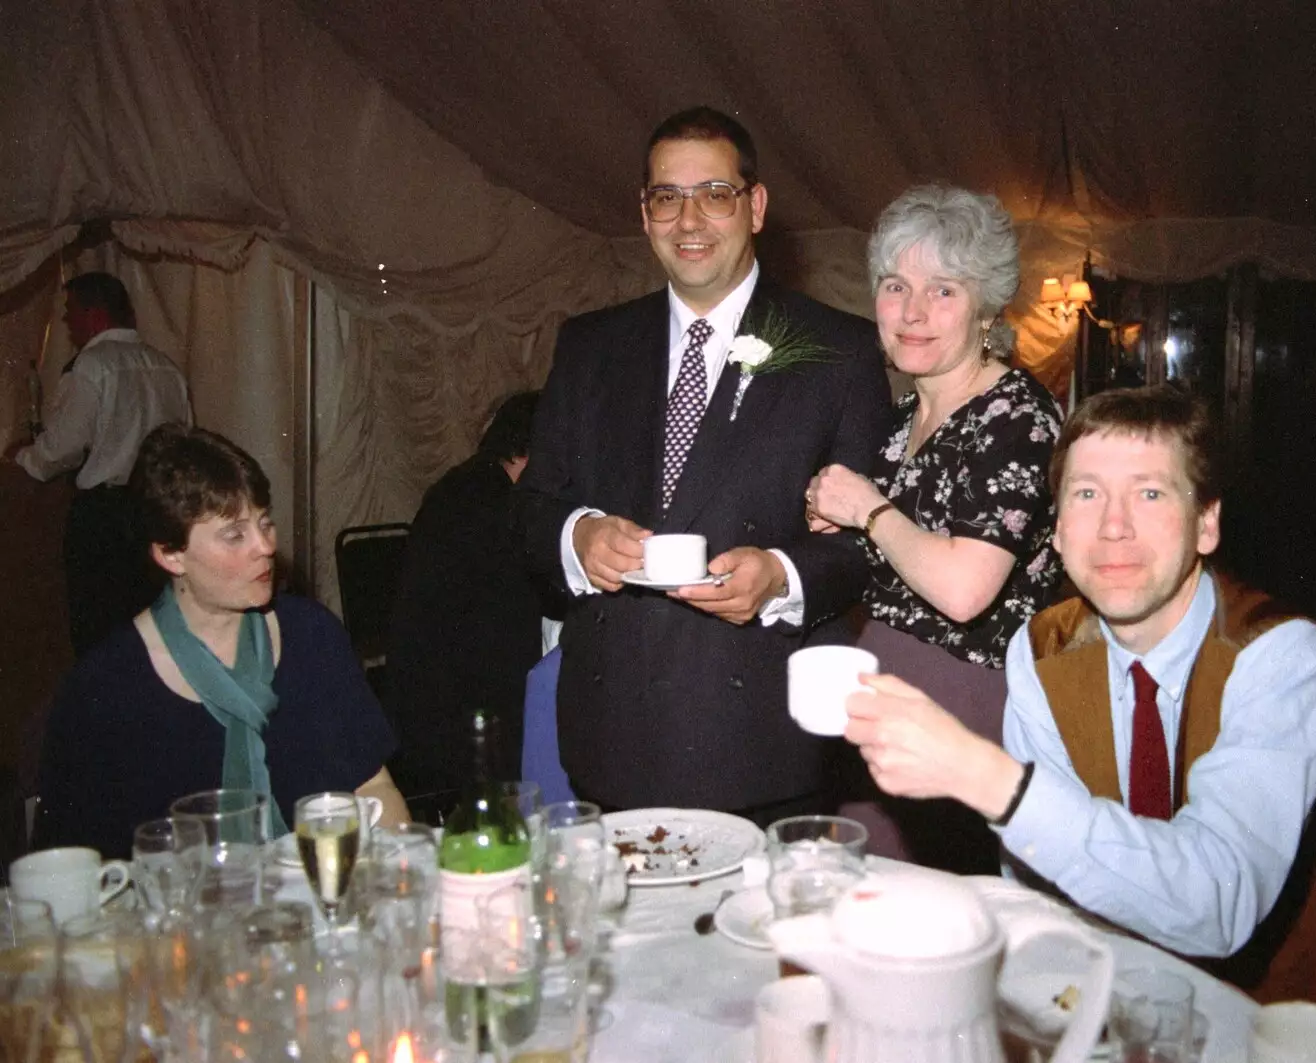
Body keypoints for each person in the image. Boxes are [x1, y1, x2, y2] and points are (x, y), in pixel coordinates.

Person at [843, 386, 1316, 1004]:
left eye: (1150, 492)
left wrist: (984, 776)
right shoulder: (1042, 649)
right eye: (1086, 494)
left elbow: (1219, 903)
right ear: (1055, 531)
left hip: (1262, 1010)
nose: (1114, 527)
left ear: (1207, 523)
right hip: (1099, 990)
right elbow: (1038, 885)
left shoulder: (1281, 656)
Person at [514, 107, 891, 822]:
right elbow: (531, 508)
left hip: (762, 740)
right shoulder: (591, 346)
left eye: (713, 194)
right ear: (644, 211)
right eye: (666, 197)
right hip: (614, 732)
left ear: (754, 206)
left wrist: (781, 575)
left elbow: (870, 543)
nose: (689, 220)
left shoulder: (838, 349)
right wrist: (579, 537)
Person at [805, 185, 1062, 873]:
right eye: (896, 286)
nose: (913, 312)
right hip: (879, 683)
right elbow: (886, 553)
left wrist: (869, 511)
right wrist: (833, 516)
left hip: (967, 700)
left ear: (986, 308)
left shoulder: (1018, 417)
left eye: (943, 291)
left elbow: (963, 589)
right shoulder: (894, 423)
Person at [34, 424, 408, 859]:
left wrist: (393, 879)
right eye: (235, 534)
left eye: (264, 522)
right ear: (170, 554)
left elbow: (375, 787)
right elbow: (73, 870)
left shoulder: (313, 636)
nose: (265, 546)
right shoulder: (105, 689)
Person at [11, 272, 192, 655]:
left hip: (104, 520)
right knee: (150, 626)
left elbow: (62, 449)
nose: (67, 322)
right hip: (156, 511)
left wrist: (22, 457)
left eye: (70, 312)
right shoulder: (167, 369)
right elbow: (182, 444)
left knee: (98, 628)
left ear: (93, 313)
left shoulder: (92, 365)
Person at [386, 391, 554, 798]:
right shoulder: (497, 506)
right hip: (459, 725)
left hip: (423, 705)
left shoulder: (463, 485)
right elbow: (511, 635)